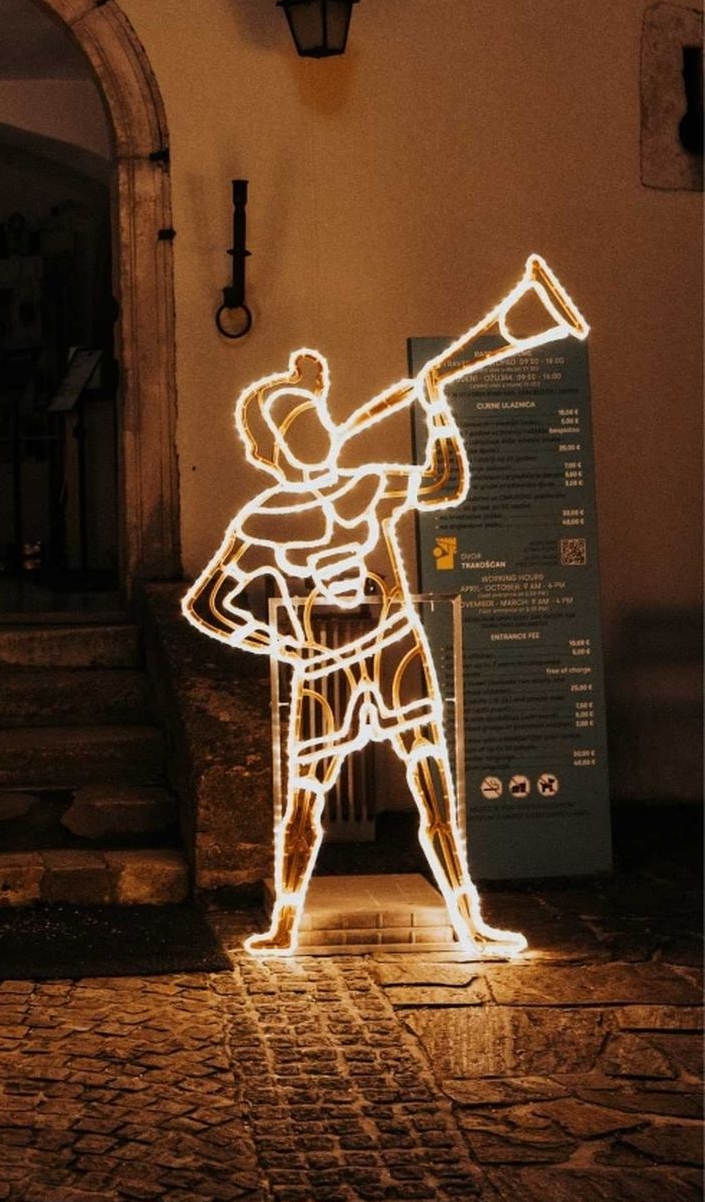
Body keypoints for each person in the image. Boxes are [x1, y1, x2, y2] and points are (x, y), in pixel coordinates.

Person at [183, 255, 586, 957]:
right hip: (325, 667)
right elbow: (207, 604)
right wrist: (280, 643)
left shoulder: (368, 484)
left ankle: (469, 919)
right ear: (279, 448)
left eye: (316, 417)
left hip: (396, 645)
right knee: (305, 797)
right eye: (300, 425)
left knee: (433, 785)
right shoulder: (265, 518)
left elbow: (445, 482)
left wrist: (437, 405)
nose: (317, 430)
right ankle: (285, 922)